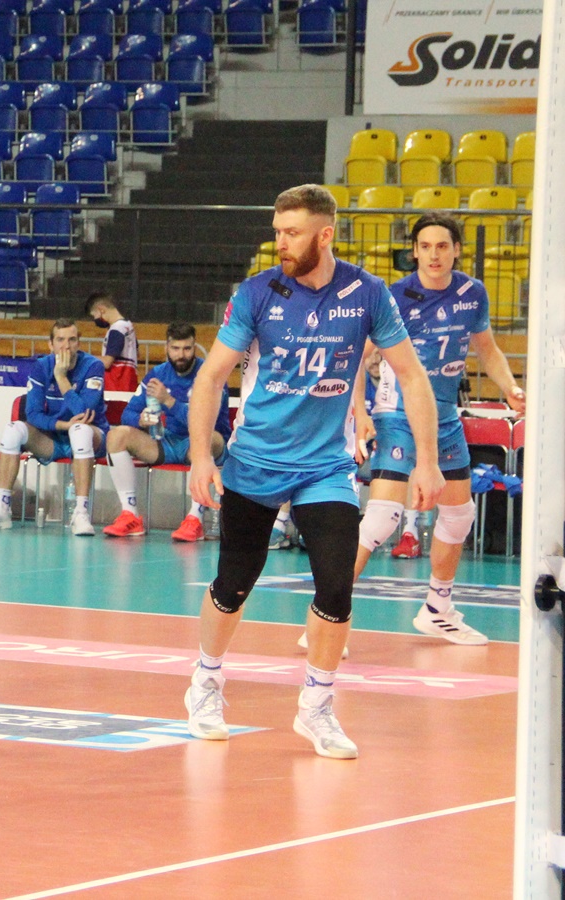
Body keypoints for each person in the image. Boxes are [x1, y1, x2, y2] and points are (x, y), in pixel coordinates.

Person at [183, 184, 443, 761]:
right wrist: (202, 455)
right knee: (234, 582)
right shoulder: (256, 293)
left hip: (325, 466)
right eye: (277, 232)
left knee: (336, 584)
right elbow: (211, 376)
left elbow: (412, 375)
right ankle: (205, 681)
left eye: (292, 233)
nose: (280, 242)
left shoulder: (367, 293)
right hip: (255, 459)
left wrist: (427, 460)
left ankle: (318, 705)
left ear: (325, 235)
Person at [347, 212, 525, 645]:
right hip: (396, 412)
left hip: (443, 415)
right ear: (414, 252)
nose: (433, 255)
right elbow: (356, 356)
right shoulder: (396, 296)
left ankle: (437, 609)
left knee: (460, 514)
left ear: (456, 250)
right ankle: (329, 610)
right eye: (425, 247)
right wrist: (360, 414)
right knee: (382, 517)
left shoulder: (472, 292)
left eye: (442, 246)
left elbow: (488, 350)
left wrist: (510, 388)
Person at [0, 318, 109, 536]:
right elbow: (33, 414)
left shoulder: (93, 366)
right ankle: (2, 508)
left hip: (92, 437)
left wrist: (61, 378)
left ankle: (81, 513)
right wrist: (62, 425)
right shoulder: (41, 366)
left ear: (79, 343)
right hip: (55, 437)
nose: (66, 346)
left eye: (72, 340)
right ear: (50, 344)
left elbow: (84, 413)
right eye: (60, 340)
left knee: (80, 430)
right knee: (13, 430)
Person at [101, 322, 231, 541]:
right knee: (117, 436)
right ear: (166, 348)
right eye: (176, 348)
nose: (181, 355)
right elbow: (127, 414)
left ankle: (195, 519)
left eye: (187, 348)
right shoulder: (157, 375)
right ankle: (130, 515)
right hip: (168, 441)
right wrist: (141, 420)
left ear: (194, 347)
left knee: (208, 438)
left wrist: (169, 401)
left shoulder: (210, 375)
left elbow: (205, 422)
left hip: (205, 443)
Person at [88, 291, 139, 393]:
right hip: (129, 382)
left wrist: (85, 358)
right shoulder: (128, 326)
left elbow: (107, 362)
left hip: (117, 385)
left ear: (101, 309)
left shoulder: (116, 330)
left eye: (94, 315)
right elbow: (137, 353)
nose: (95, 319)